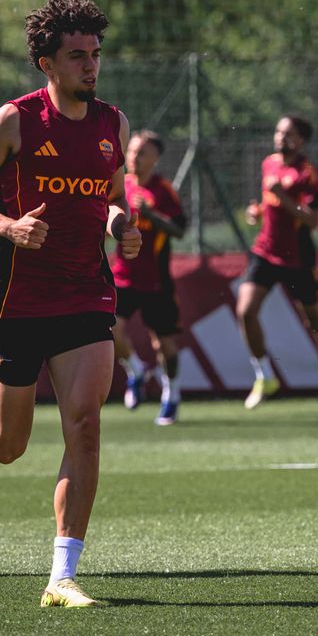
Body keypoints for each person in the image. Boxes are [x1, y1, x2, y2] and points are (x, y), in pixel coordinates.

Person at [0, 0, 142, 608]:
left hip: (85, 293)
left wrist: (121, 223)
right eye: (77, 56)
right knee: (5, 447)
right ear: (47, 62)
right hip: (15, 298)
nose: (90, 66)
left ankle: (62, 577)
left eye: (95, 54)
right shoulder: (15, 121)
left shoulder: (113, 124)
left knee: (86, 424)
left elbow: (112, 195)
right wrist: (7, 226)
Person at [237, 115, 318, 410]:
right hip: (265, 251)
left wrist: (282, 198)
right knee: (246, 310)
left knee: (313, 317)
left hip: (298, 256)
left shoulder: (307, 173)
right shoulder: (269, 163)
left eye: (288, 133)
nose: (280, 137)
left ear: (301, 140)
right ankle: (264, 375)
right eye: (278, 131)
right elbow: (268, 201)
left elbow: (311, 220)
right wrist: (257, 211)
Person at [110, 129, 188, 425]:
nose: (134, 157)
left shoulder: (163, 190)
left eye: (142, 153)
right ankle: (136, 370)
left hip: (157, 281)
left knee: (164, 345)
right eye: (131, 151)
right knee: (110, 332)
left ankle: (172, 393)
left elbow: (180, 230)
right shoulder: (121, 185)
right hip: (123, 277)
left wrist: (152, 215)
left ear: (155, 158)